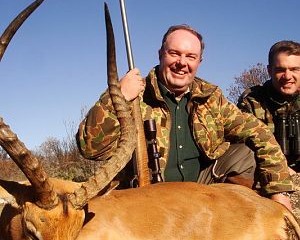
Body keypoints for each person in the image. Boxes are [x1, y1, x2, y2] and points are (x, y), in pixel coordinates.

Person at [77, 25, 294, 210]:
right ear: (160, 54)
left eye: (190, 56)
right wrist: (118, 96)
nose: (182, 63)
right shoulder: (135, 95)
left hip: (200, 192)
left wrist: (280, 192)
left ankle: (228, 218)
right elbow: (90, 148)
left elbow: (259, 132)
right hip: (145, 198)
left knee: (245, 155)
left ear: (199, 61)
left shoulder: (211, 97)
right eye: (174, 53)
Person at [237, 40, 300, 173]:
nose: (287, 76)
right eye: (280, 70)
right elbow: (244, 150)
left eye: (295, 69)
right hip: (267, 172)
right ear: (269, 70)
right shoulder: (251, 102)